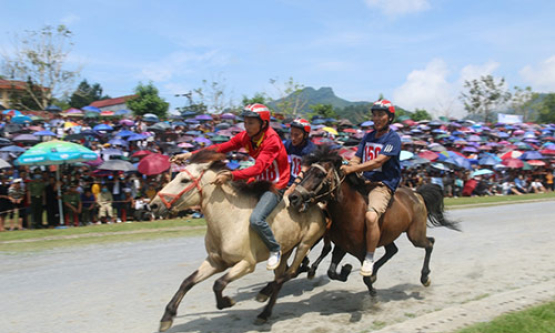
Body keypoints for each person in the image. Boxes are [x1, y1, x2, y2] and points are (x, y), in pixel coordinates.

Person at [172, 103, 290, 270]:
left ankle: (275, 249)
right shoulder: (246, 137)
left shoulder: (272, 141)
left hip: (275, 185)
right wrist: (190, 155)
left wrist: (231, 175)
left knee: (256, 219)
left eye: (251, 123)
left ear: (263, 124)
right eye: (245, 122)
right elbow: (220, 148)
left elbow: (258, 168)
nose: (246, 126)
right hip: (257, 181)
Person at [340, 99, 401, 276]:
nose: (376, 118)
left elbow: (377, 162)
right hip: (364, 180)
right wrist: (349, 166)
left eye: (380, 115)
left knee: (371, 216)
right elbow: (358, 156)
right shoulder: (367, 136)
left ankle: (369, 257)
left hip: (382, 185)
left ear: (389, 118)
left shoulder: (393, 139)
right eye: (374, 114)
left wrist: (353, 168)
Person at [283, 119, 317, 197]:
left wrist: (291, 188)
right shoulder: (289, 144)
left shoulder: (311, 149)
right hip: (289, 181)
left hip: (303, 186)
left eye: (296, 135)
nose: (293, 138)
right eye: (291, 134)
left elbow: (303, 171)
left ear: (305, 135)